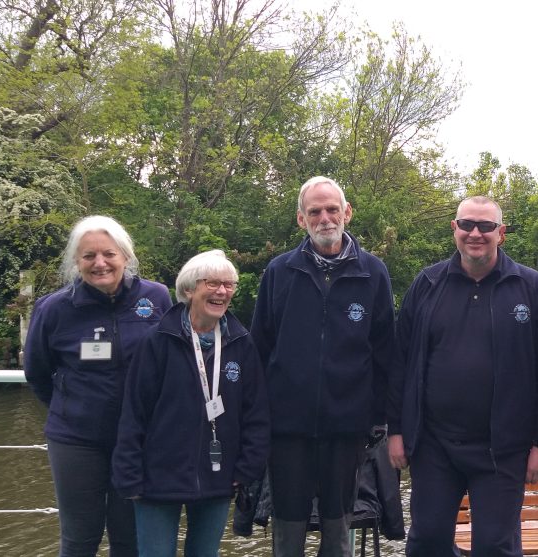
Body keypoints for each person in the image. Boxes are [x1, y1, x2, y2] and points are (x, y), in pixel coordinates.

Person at [388, 196, 538, 557]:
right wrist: (397, 431)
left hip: (504, 447)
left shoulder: (530, 288)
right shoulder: (427, 284)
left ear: (502, 233)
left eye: (485, 226)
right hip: (434, 444)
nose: (475, 233)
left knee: (495, 546)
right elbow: (400, 362)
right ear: (454, 229)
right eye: (467, 224)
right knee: (426, 542)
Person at [250, 176, 399, 557]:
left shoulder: (373, 273)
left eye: (332, 209)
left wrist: (378, 417)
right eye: (314, 211)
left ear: (347, 213)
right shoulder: (279, 272)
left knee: (337, 530)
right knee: (288, 530)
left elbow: (385, 353)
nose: (324, 218)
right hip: (287, 429)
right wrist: (260, 416)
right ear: (301, 219)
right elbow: (259, 348)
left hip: (347, 426)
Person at [24, 215, 172, 556]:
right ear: (77, 261)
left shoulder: (157, 298)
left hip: (137, 440)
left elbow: (169, 364)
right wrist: (73, 409)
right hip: (76, 441)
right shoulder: (53, 309)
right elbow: (37, 372)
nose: (100, 263)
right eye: (89, 256)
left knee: (129, 538)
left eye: (108, 253)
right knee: (79, 538)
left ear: (125, 256)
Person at [113, 249, 269, 557]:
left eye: (229, 284)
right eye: (211, 283)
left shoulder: (241, 343)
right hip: (157, 478)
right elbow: (134, 412)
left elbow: (256, 413)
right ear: (188, 290)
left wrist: (247, 468)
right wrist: (129, 475)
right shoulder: (157, 341)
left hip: (218, 475)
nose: (221, 291)